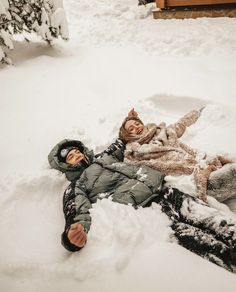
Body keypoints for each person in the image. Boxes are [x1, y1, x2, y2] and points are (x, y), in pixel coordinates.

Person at [48, 138, 236, 272]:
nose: (77, 155)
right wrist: (71, 239)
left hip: (166, 191)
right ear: (65, 165)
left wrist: (127, 129)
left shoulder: (103, 158)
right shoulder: (76, 187)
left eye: (77, 151)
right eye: (71, 156)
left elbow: (119, 143)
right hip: (151, 213)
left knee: (218, 222)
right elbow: (77, 214)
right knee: (206, 244)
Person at [119, 108, 236, 203]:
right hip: (193, 183)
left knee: (230, 159)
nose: (137, 127)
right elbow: (128, 167)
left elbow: (182, 124)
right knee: (233, 172)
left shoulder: (163, 131)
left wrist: (200, 112)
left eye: (137, 123)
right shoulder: (134, 153)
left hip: (204, 164)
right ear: (128, 136)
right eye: (131, 129)